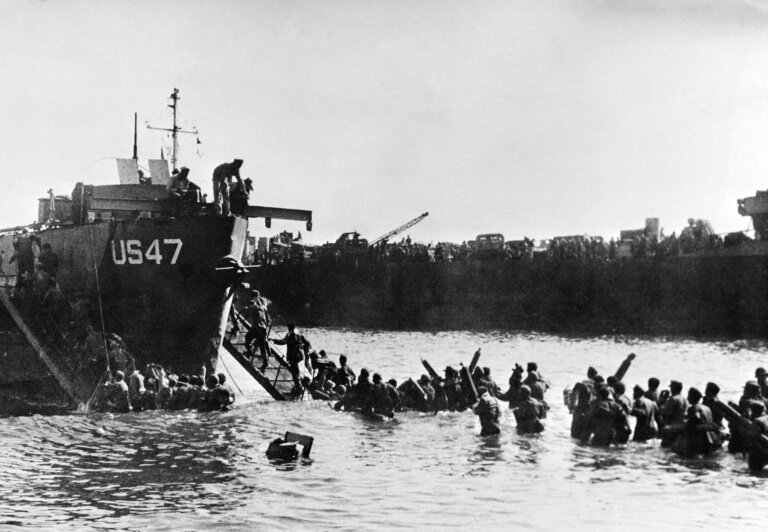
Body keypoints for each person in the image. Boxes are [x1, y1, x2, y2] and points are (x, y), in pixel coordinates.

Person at [272, 322, 311, 391]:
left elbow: (283, 342)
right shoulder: (299, 335)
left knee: (294, 372)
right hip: (299, 355)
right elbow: (308, 343)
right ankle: (299, 385)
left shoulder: (289, 335)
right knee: (296, 370)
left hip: (292, 356)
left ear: (289, 328)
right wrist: (302, 347)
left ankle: (298, 386)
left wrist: (273, 340)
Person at [244, 290, 271, 371]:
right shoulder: (264, 307)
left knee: (247, 339)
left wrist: (245, 309)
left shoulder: (253, 304)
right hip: (263, 329)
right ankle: (266, 360)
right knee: (262, 345)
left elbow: (247, 311)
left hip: (256, 328)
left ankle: (249, 350)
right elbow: (268, 320)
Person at [660, 380, 688, 447]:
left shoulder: (673, 399)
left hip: (672, 427)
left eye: (671, 388)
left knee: (666, 448)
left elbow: (666, 413)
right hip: (681, 426)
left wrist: (662, 403)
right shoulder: (685, 399)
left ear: (674, 389)